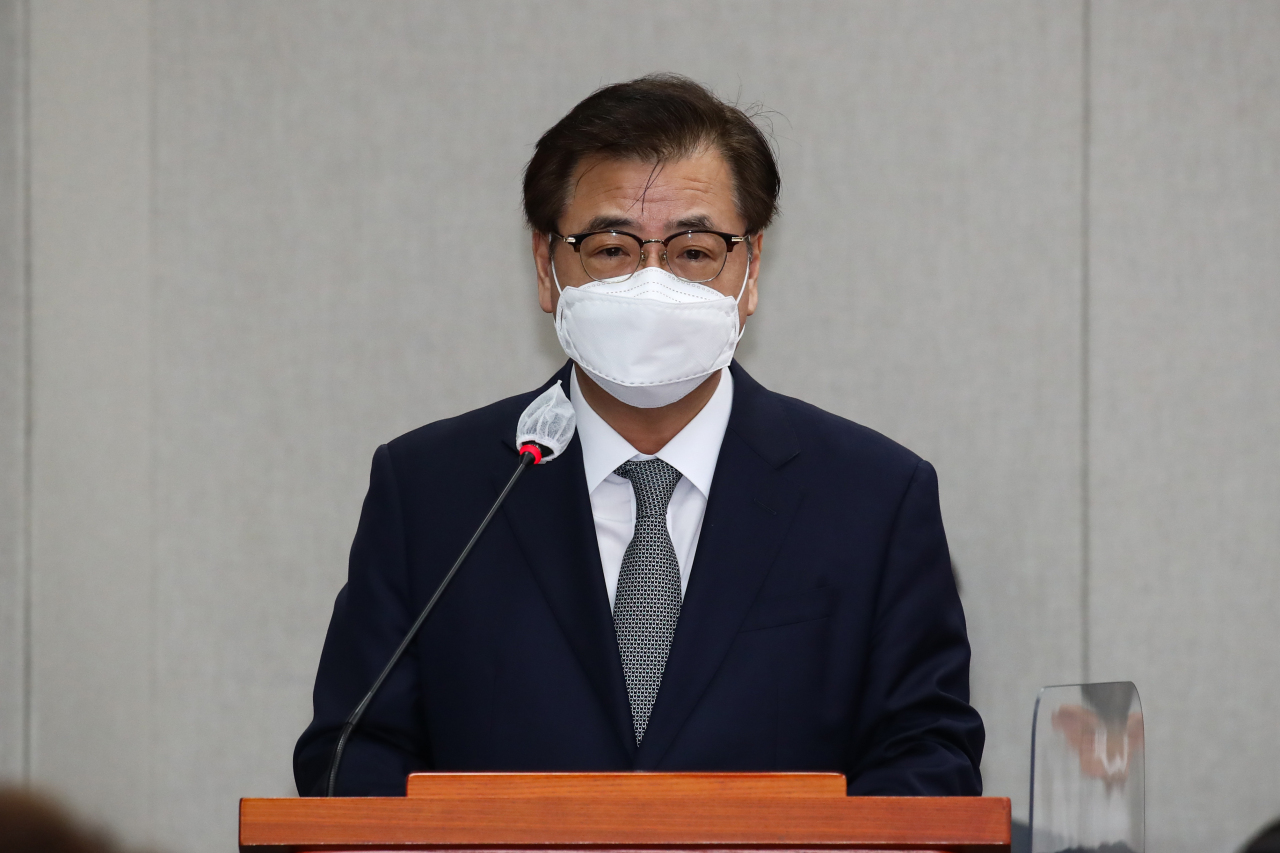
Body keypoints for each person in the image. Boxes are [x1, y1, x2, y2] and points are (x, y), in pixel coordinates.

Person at [294, 73, 984, 796]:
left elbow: (928, 762)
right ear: (545, 266)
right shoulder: (434, 491)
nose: (653, 281)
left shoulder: (872, 498)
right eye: (611, 248)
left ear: (749, 269)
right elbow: (351, 755)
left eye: (693, 251)